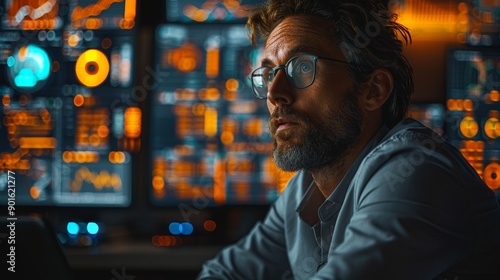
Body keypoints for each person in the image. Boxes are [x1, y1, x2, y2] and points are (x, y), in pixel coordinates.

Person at [196, 0, 500, 279]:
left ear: (373, 91)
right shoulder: (305, 188)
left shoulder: (416, 172)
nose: (275, 93)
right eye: (268, 72)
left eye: (302, 67)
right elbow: (225, 274)